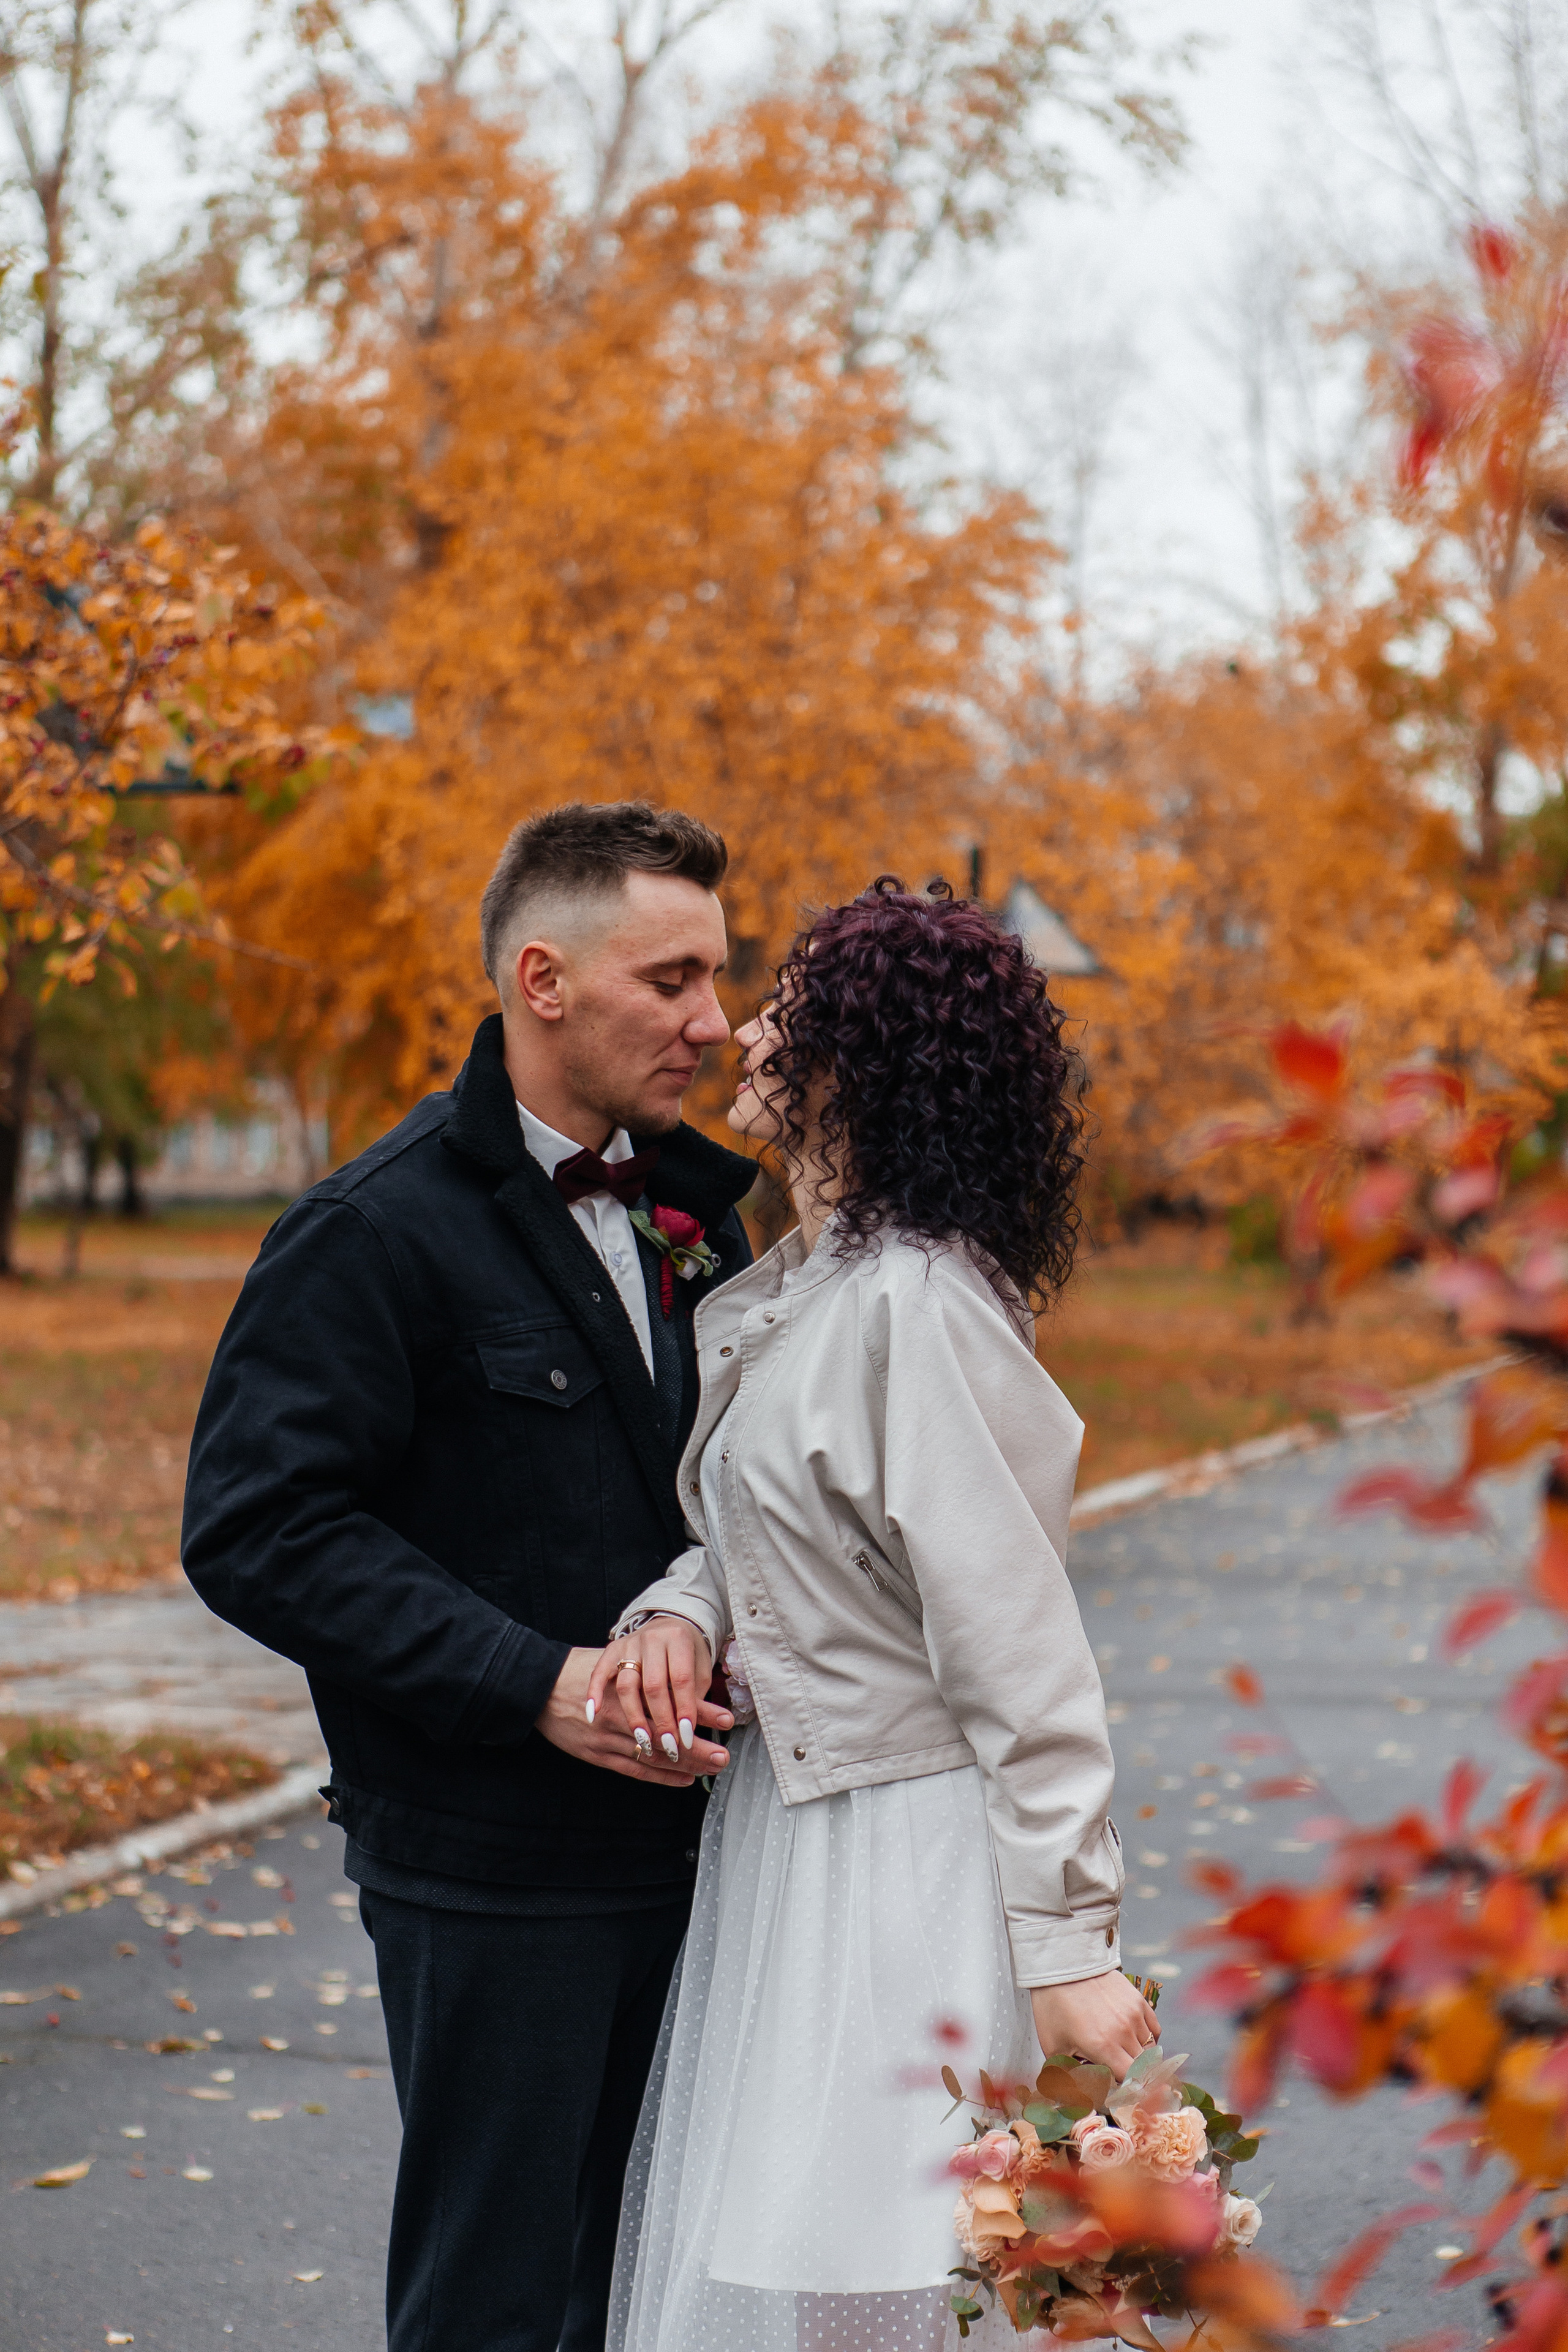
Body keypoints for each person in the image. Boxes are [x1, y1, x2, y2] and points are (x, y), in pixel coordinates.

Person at [181, 802, 761, 2352]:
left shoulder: (706, 1215)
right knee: (491, 2309)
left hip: (715, 1856)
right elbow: (257, 1526)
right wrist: (538, 1682)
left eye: (718, 976)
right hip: (495, 1877)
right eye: (674, 979)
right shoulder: (368, 1236)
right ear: (542, 978)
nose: (715, 1020)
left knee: (650, 2301)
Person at [590, 876, 1153, 2352]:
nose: (750, 1029)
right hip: (795, 1835)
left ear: (861, 1056)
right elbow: (761, 1529)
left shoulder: (920, 1301)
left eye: (788, 1005)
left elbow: (1018, 1643)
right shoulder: (822, 1281)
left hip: (898, 1859)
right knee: (826, 2281)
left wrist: (1066, 1942)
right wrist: (681, 1613)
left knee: (889, 2279)